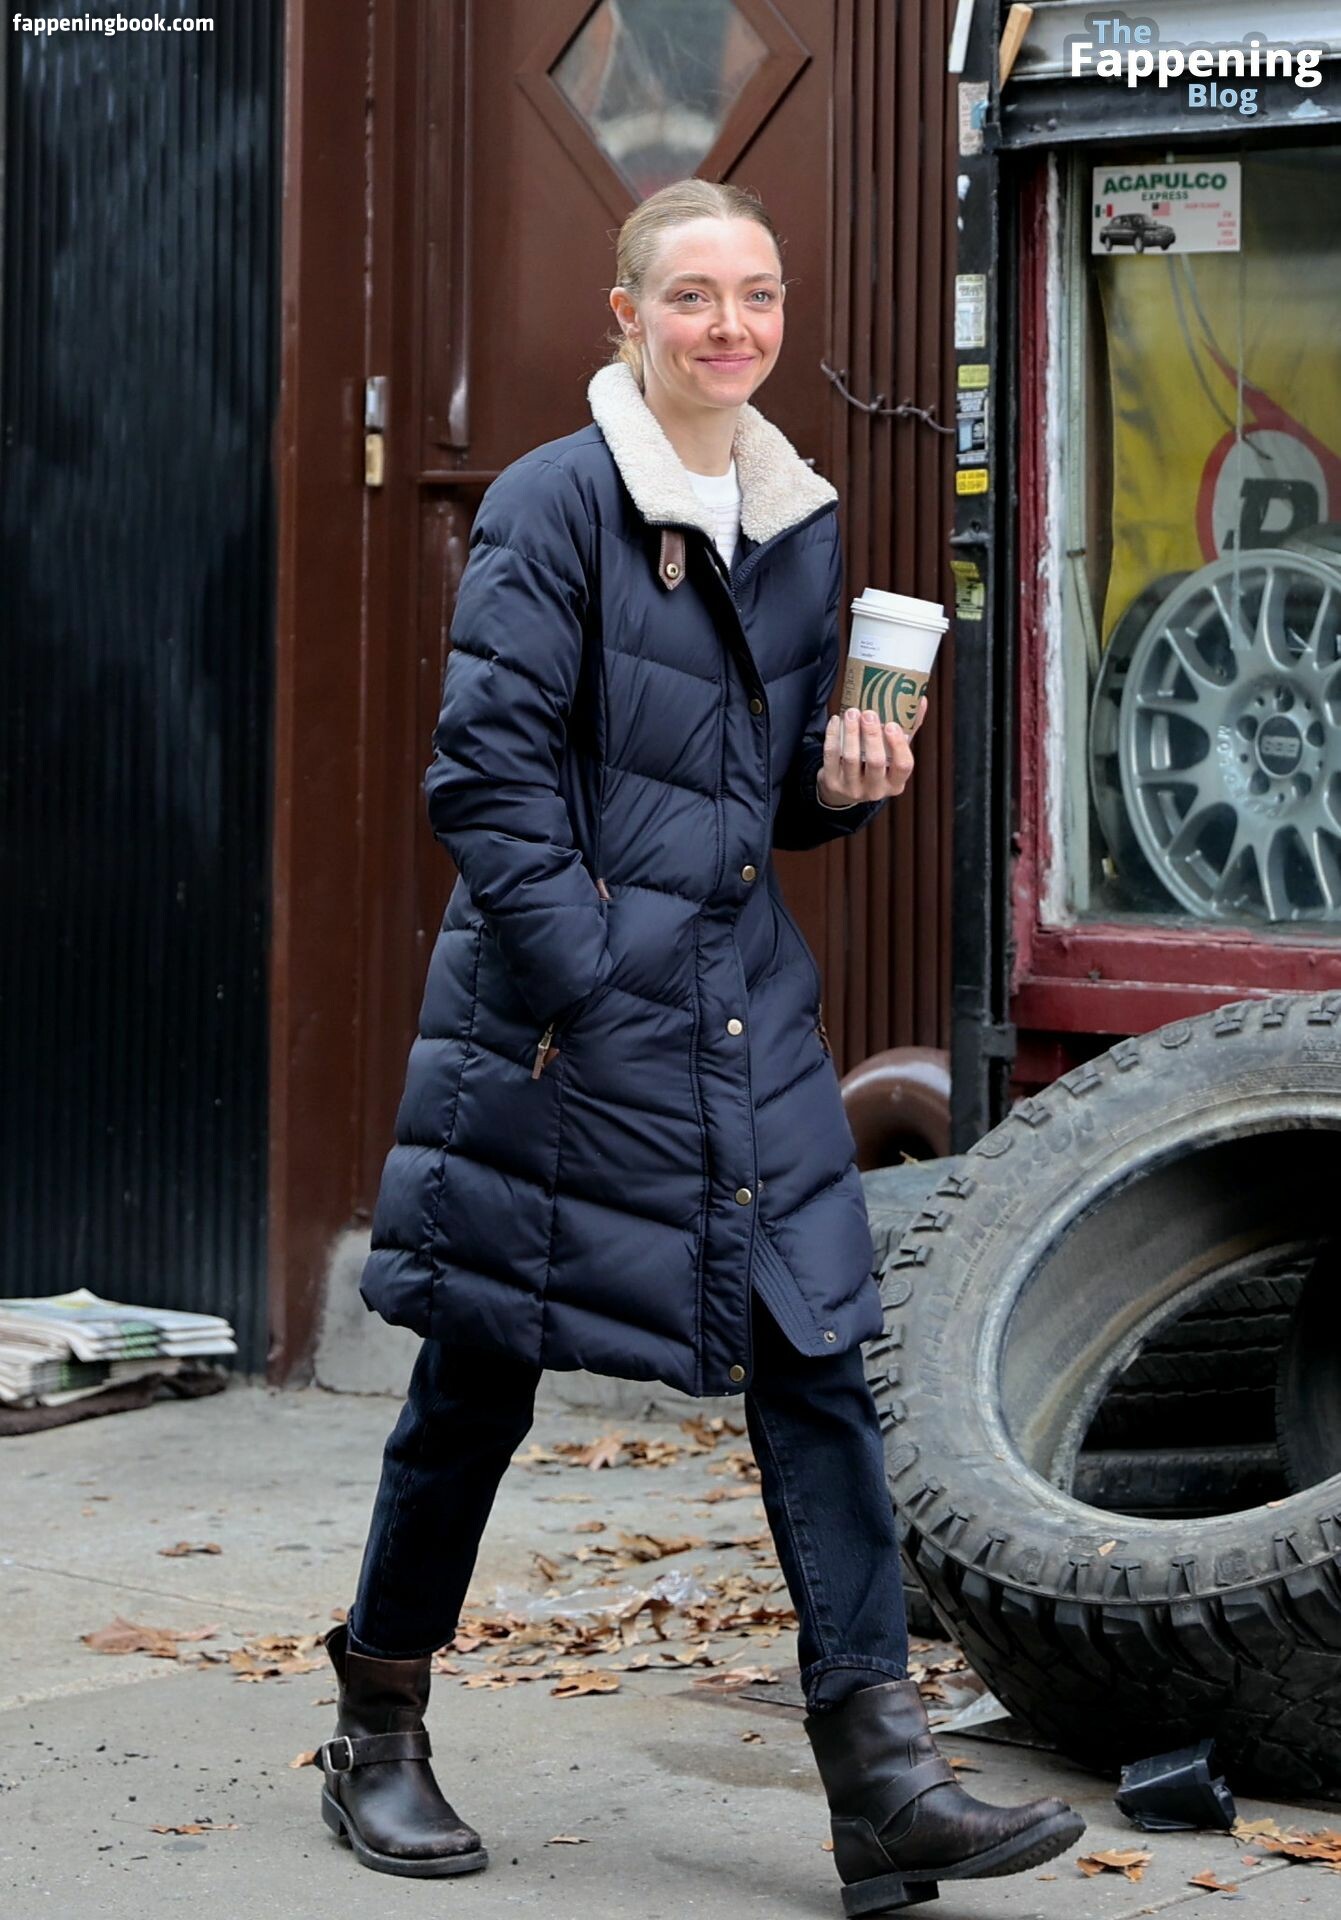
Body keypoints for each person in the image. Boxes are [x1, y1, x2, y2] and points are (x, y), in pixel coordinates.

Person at [315, 178, 1085, 1910]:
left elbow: (758, 802)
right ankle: (376, 1724)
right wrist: (589, 981)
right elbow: (483, 779)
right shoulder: (553, 503)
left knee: (815, 1355)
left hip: (743, 1012)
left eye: (757, 295)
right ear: (627, 316)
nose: (729, 326)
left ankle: (881, 1779)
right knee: (479, 1372)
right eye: (690, 296)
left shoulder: (792, 517)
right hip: (563, 1027)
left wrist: (844, 782)